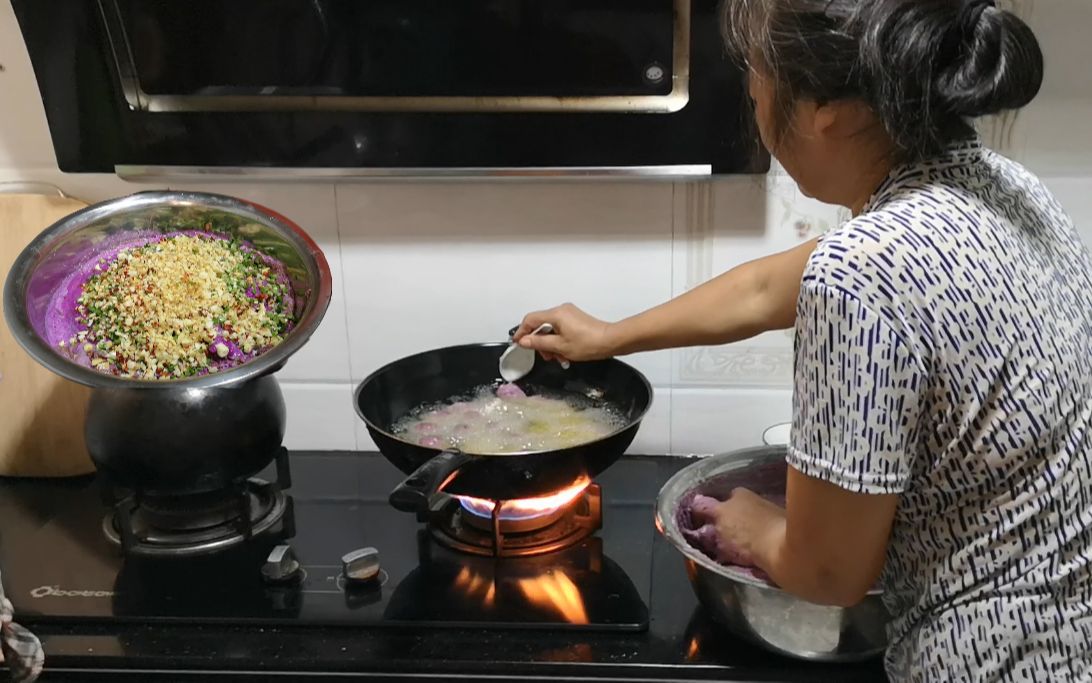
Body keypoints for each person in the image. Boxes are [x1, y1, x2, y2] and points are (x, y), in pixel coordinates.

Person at [514, 0, 1092, 680]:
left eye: (756, 75)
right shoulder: (1004, 187)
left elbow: (828, 573)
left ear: (832, 110)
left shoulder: (865, 269)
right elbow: (766, 291)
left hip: (983, 661)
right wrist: (613, 335)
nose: (752, 94)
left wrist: (752, 524)